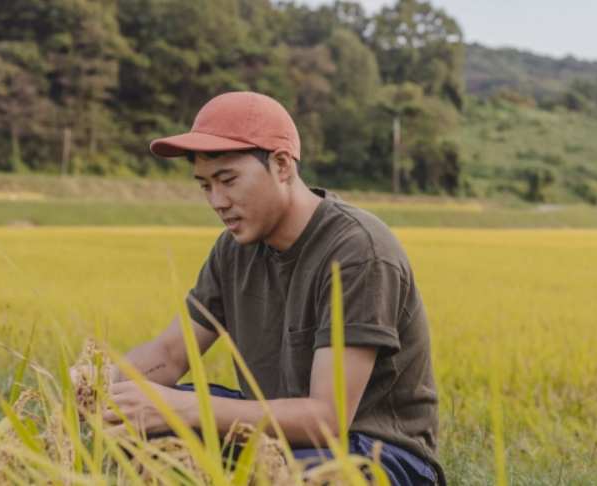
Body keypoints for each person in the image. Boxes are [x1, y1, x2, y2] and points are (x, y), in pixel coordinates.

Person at [71, 91, 445, 486]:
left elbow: (328, 420)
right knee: (139, 424)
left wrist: (184, 406)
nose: (217, 201)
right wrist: (109, 382)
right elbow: (171, 352)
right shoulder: (234, 250)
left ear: (282, 164)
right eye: (204, 186)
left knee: (280, 474)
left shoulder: (359, 251)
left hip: (378, 452)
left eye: (228, 180)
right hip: (276, 435)